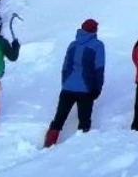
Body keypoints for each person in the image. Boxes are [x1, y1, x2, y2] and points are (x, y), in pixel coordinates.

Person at [44, 19, 105, 148]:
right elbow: (99, 68)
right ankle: (79, 149)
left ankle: (48, 145)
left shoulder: (72, 45)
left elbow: (65, 67)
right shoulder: (97, 45)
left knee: (59, 119)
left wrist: (65, 82)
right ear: (94, 30)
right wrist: (97, 88)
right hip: (85, 89)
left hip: (67, 87)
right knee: (84, 121)